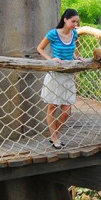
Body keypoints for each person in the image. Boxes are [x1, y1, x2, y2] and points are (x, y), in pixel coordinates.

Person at [37, 8, 83, 149]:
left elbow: (72, 50)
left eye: (77, 22)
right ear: (65, 20)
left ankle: (53, 135)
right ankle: (55, 138)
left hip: (68, 75)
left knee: (66, 111)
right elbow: (40, 48)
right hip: (55, 75)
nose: (75, 24)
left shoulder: (74, 34)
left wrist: (76, 58)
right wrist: (51, 59)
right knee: (52, 107)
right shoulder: (53, 34)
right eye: (73, 21)